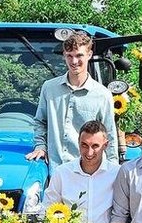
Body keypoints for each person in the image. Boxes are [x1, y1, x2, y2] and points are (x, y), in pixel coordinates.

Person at [26, 31, 118, 169]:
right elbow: (40, 122)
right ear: (64, 56)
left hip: (88, 172)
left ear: (89, 55)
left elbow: (109, 135)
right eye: (69, 56)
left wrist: (113, 171)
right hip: (55, 170)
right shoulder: (49, 88)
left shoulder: (102, 95)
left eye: (79, 55)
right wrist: (40, 146)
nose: (74, 61)